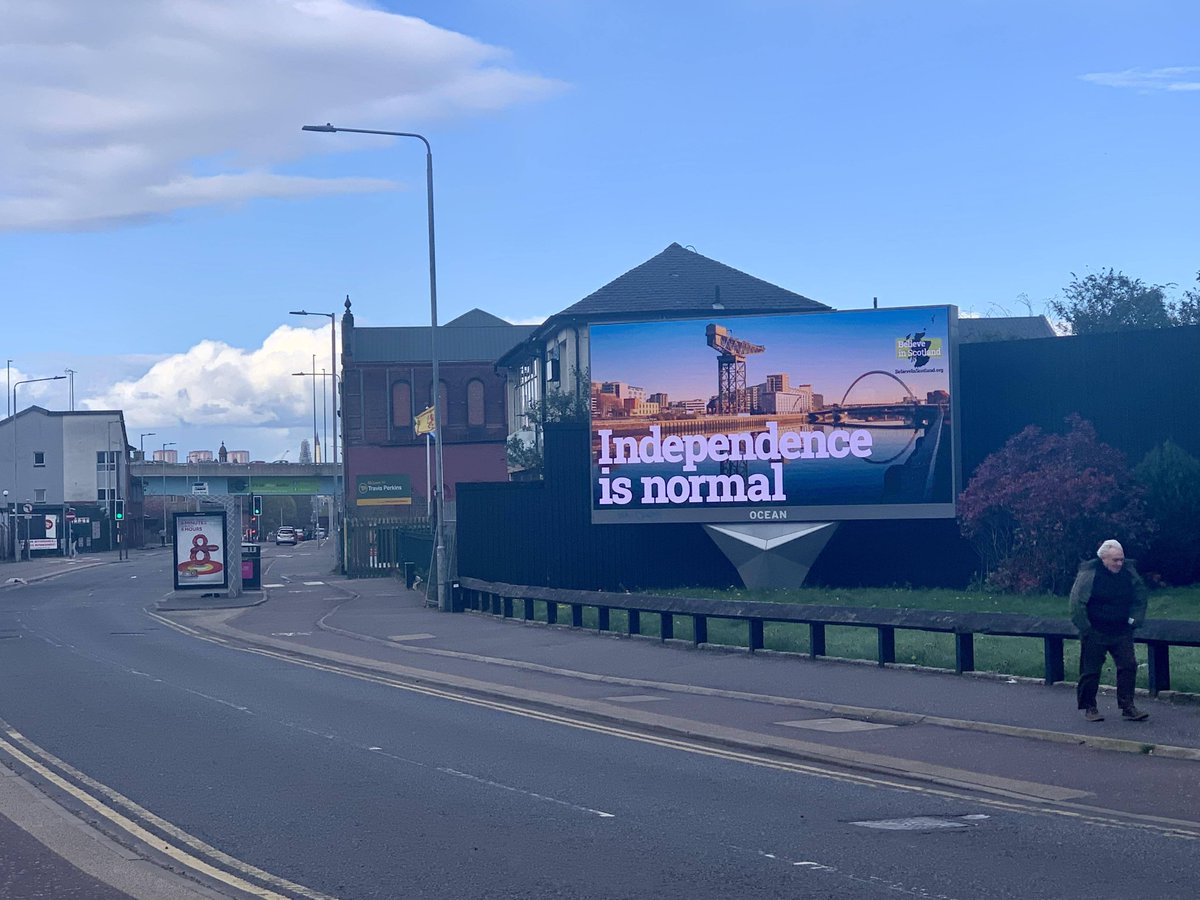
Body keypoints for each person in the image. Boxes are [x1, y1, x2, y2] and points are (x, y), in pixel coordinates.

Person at [1069, 539, 1149, 722]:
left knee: (1128, 666)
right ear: (1103, 559)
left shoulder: (1129, 574)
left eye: (1121, 559)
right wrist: (1086, 629)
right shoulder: (1089, 575)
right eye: (1115, 560)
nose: (1119, 564)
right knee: (1090, 671)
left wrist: (1133, 621)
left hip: (1121, 630)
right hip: (1095, 630)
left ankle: (1128, 706)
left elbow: (1140, 597)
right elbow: (1076, 603)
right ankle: (1090, 707)